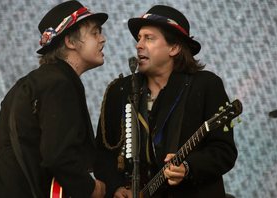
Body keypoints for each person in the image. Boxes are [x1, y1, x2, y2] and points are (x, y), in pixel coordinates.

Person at [94, 5, 238, 198]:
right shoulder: (119, 90)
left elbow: (224, 152)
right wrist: (115, 187)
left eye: (149, 38)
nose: (139, 45)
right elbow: (103, 154)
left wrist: (187, 167)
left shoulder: (205, 85)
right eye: (139, 38)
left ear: (174, 47)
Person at [0, 1, 107, 197]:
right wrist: (91, 189)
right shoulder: (59, 83)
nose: (103, 39)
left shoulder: (37, 81)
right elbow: (58, 156)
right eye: (95, 32)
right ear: (70, 42)